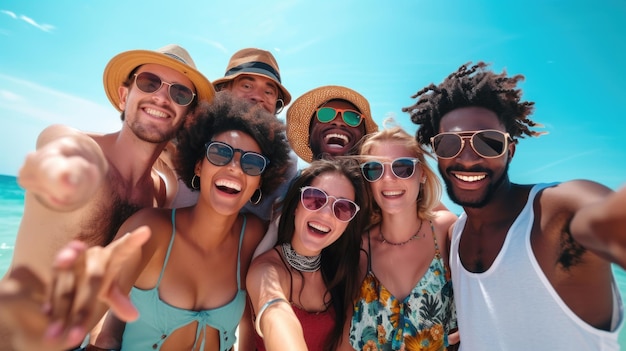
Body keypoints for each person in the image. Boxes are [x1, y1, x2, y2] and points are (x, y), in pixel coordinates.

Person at [4, 91, 292, 351]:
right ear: (198, 165)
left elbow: (252, 321)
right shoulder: (151, 230)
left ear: (260, 181)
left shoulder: (254, 235)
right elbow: (83, 316)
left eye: (251, 163)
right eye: (220, 153)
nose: (234, 167)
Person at [0, 44, 214, 350]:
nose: (162, 97)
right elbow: (54, 138)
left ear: (188, 116)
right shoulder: (83, 153)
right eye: (149, 83)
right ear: (125, 96)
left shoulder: (159, 193)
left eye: (180, 94)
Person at [404, 61, 625, 350]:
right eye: (449, 144)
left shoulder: (555, 213)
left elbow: (604, 219)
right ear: (436, 154)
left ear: (510, 150)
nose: (468, 158)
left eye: (488, 143)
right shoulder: (455, 234)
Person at [347, 125, 459, 351]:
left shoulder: (447, 230)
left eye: (402, 167)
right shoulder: (358, 248)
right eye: (374, 169)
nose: (388, 178)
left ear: (423, 176)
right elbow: (345, 337)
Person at [165, 47, 298, 224]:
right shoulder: (180, 140)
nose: (258, 97)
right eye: (247, 85)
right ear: (223, 91)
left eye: (269, 92)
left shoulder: (286, 164)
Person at [246, 158, 368, 351]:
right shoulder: (267, 270)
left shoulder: (342, 274)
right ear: (296, 205)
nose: (326, 214)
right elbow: (275, 314)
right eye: (315, 198)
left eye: (343, 208)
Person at [286, 85, 379, 163]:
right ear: (308, 136)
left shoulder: (384, 181)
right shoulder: (287, 183)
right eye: (325, 114)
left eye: (352, 117)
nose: (338, 122)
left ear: (363, 140)